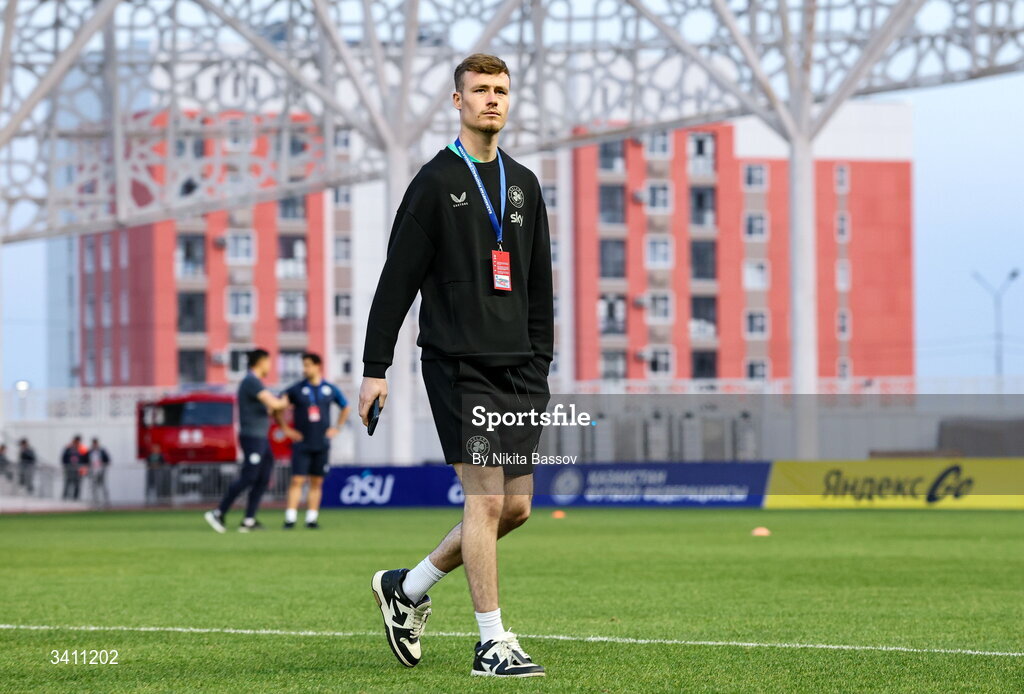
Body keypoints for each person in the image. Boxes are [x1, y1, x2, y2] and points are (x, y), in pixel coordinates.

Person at [361, 54, 552, 678]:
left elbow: (539, 288)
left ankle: (407, 588)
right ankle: (492, 643)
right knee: (485, 500)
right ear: (457, 101)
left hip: (518, 369)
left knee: (516, 508)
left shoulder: (523, 184)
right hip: (458, 364)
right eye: (479, 91)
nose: (491, 99)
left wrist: (541, 366)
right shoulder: (433, 182)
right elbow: (396, 283)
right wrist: (375, 366)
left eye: (500, 90)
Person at [205, 348, 288, 533]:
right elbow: (275, 404)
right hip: (252, 437)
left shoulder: (256, 382)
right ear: (260, 362)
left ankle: (248, 520)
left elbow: (269, 409)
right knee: (249, 476)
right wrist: (289, 398)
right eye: (268, 361)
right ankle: (218, 512)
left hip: (261, 437)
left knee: (263, 477)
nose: (270, 366)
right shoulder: (251, 381)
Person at [275, 351, 350, 529]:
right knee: (297, 480)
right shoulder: (295, 389)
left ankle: (311, 518)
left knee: (316, 482)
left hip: (321, 443)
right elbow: (277, 408)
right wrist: (286, 429)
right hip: (302, 442)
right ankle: (290, 518)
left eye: (308, 365)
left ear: (317, 366)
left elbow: (345, 407)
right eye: (304, 365)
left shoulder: (329, 389)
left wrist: (337, 428)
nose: (305, 369)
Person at [88, 437, 111, 508]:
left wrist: (102, 463)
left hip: (101, 471)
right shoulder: (90, 451)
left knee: (103, 486)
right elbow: (86, 460)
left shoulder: (102, 451)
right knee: (94, 487)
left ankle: (106, 502)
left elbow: (108, 459)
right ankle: (95, 501)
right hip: (93, 472)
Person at [61, 435, 85, 500]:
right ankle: (65, 497)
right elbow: (64, 458)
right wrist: (66, 466)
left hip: (78, 470)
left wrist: (83, 468)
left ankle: (75, 498)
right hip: (69, 469)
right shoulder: (68, 448)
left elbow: (85, 459)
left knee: (77, 484)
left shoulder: (82, 448)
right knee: (68, 483)